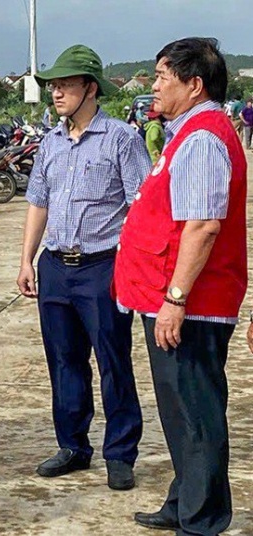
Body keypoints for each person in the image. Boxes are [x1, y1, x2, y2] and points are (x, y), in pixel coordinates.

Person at [114, 37, 248, 535]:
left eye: (162, 76)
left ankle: (203, 519)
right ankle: (184, 500)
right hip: (174, 300)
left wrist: (175, 300)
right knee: (179, 410)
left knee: (195, 413)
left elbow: (203, 225)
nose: (154, 85)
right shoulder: (187, 132)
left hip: (191, 306)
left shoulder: (202, 139)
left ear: (193, 85)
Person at [16, 45, 151, 491]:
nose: (55, 92)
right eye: (52, 85)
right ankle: (73, 445)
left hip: (102, 267)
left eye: (65, 84)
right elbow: (38, 202)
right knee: (64, 360)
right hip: (55, 265)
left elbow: (142, 206)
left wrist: (131, 266)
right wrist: (27, 260)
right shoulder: (50, 142)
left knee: (113, 361)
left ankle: (120, 452)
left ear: (90, 88)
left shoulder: (121, 139)